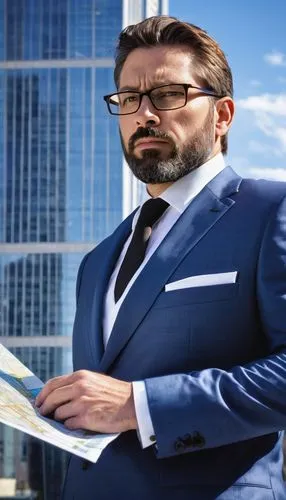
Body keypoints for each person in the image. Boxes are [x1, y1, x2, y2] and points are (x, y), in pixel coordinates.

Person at [35, 16, 286, 499]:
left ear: (223, 115)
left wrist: (140, 405)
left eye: (168, 94)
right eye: (129, 99)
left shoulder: (271, 212)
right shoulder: (99, 257)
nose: (144, 114)